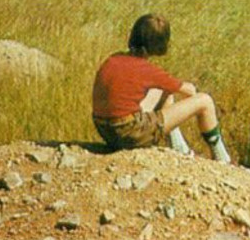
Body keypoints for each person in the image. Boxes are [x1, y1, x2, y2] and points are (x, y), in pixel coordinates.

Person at [92, 13, 231, 163]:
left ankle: (180, 149)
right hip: (129, 134)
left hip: (105, 131)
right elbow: (189, 90)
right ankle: (223, 159)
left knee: (163, 91)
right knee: (205, 101)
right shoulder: (147, 70)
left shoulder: (113, 59)